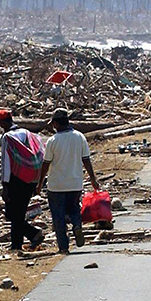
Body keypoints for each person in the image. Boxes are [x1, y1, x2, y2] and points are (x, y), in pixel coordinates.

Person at [38, 108, 99, 254]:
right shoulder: (79, 137)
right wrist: (93, 179)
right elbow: (86, 159)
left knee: (58, 215)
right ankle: (77, 225)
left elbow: (46, 163)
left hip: (56, 185)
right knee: (74, 209)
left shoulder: (53, 141)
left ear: (56, 124)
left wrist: (40, 183)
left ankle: (63, 247)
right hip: (75, 183)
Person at [0, 109, 45, 251]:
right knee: (19, 213)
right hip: (30, 180)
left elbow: (6, 162)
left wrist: (5, 186)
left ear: (4, 123)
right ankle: (18, 244)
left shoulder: (8, 137)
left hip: (15, 180)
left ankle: (30, 236)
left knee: (12, 214)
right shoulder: (27, 133)